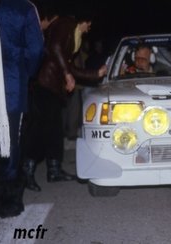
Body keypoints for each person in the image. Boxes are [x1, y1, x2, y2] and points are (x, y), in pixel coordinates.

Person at [21, 11, 107, 192]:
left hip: (52, 87)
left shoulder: (72, 32)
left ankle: (54, 170)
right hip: (45, 84)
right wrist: (68, 75)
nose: (87, 30)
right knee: (40, 130)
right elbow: (56, 48)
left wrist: (94, 74)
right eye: (88, 26)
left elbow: (69, 65)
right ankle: (26, 171)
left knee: (54, 130)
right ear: (86, 22)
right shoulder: (67, 24)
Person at [0, 0, 44, 218]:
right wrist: (27, 71)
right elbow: (36, 49)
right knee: (10, 142)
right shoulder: (25, 9)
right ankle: (8, 202)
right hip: (13, 85)